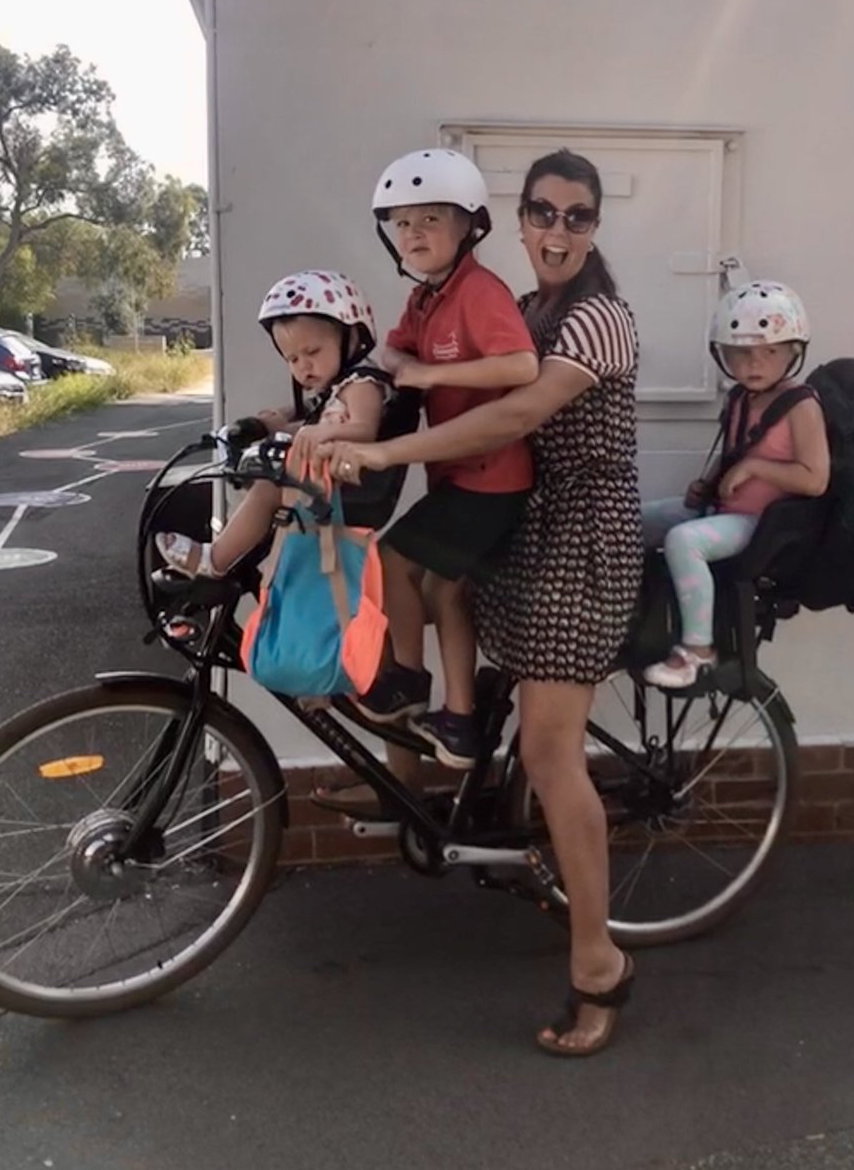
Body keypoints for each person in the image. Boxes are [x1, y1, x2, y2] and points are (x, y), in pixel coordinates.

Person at [320, 149, 642, 1057]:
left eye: (578, 217)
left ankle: (598, 963)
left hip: (582, 538)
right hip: (521, 524)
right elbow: (400, 362)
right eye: (544, 211)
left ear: (595, 227)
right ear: (521, 215)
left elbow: (513, 416)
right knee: (433, 602)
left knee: (549, 750)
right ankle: (429, 773)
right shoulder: (526, 306)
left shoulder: (598, 320)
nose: (557, 231)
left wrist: (388, 456)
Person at [347, 148, 538, 771]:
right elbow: (387, 356)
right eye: (402, 222)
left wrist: (426, 372)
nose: (414, 233)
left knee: (394, 562)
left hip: (491, 476)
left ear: (468, 227)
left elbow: (520, 366)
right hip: (462, 474)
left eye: (431, 218)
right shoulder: (427, 298)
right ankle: (458, 722)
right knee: (443, 588)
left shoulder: (478, 291)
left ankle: (408, 677)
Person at [640, 281, 830, 687]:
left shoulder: (802, 405)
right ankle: (630, 617)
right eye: (741, 353)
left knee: (684, 541)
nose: (754, 363)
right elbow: (733, 456)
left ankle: (697, 648)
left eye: (770, 352)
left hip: (758, 522)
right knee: (636, 520)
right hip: (724, 509)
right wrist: (706, 483)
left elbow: (815, 479)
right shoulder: (741, 398)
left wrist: (759, 469)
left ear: (794, 352)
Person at [154, 270, 392, 578]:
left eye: (312, 352)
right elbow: (307, 410)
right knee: (256, 474)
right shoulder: (338, 386)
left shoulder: (362, 384)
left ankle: (214, 560)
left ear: (353, 337)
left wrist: (322, 430)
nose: (303, 365)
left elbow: (365, 429)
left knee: (267, 489)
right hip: (318, 480)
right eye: (292, 359)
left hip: (343, 486)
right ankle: (244, 553)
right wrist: (271, 422)